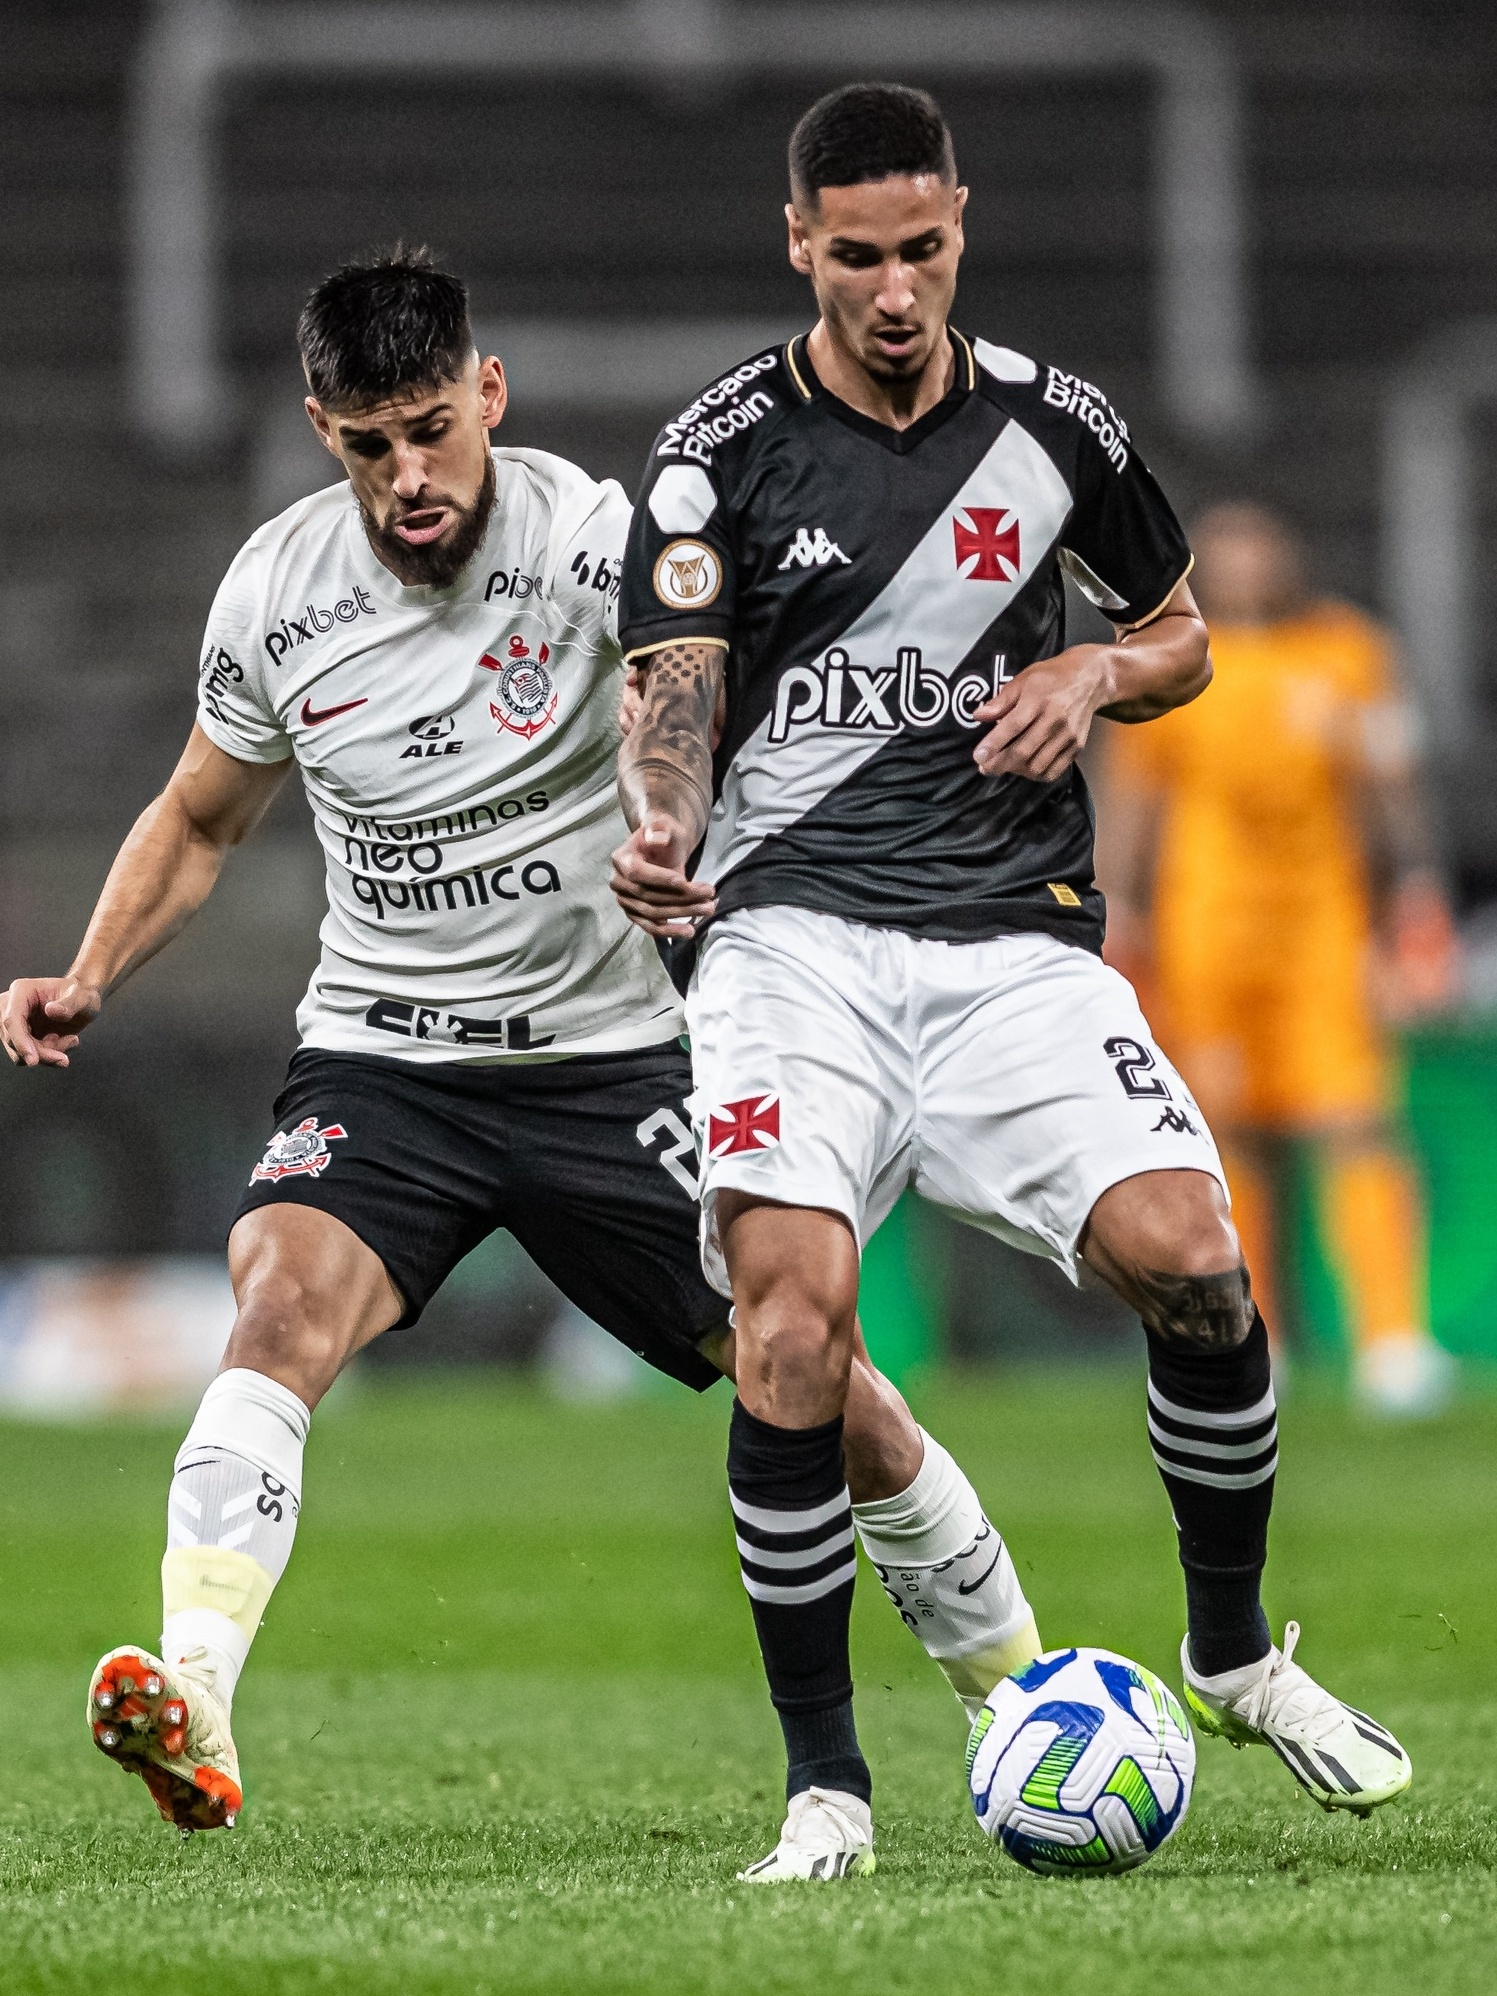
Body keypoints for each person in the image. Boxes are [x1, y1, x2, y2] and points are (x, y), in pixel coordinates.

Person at [0, 250, 1040, 1845]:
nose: (408, 478)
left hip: (612, 1056)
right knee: (274, 1304)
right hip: (385, 1058)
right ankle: (194, 1692)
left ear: (489, 395)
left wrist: (665, 812)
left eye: (430, 430)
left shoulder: (600, 545)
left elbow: (683, 705)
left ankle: (1022, 1698)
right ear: (320, 432)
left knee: (825, 1389)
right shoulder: (276, 595)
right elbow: (202, 818)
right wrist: (90, 973)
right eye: (366, 446)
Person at [610, 83, 1413, 1882]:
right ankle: (826, 1788)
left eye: (924, 249)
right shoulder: (714, 451)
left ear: (958, 223)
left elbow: (1183, 626)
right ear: (798, 245)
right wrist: (661, 823)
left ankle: (1227, 1658)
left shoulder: (1058, 426)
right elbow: (668, 685)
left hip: (1012, 948)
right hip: (791, 941)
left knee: (1196, 1266)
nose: (895, 290)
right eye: (857, 256)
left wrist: (1098, 679)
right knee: (794, 1323)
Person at [1099, 500, 1458, 1415]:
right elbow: (1134, 801)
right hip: (1206, 932)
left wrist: (1414, 902)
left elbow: (1393, 789)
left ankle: (1392, 1337)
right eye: (1223, 555)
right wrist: (1118, 911)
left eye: (1256, 549)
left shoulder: (1346, 653)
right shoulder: (1170, 659)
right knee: (1229, 1141)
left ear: (1285, 556)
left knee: (1355, 1121)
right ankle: (1260, 1338)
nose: (1242, 568)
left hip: (1322, 929)